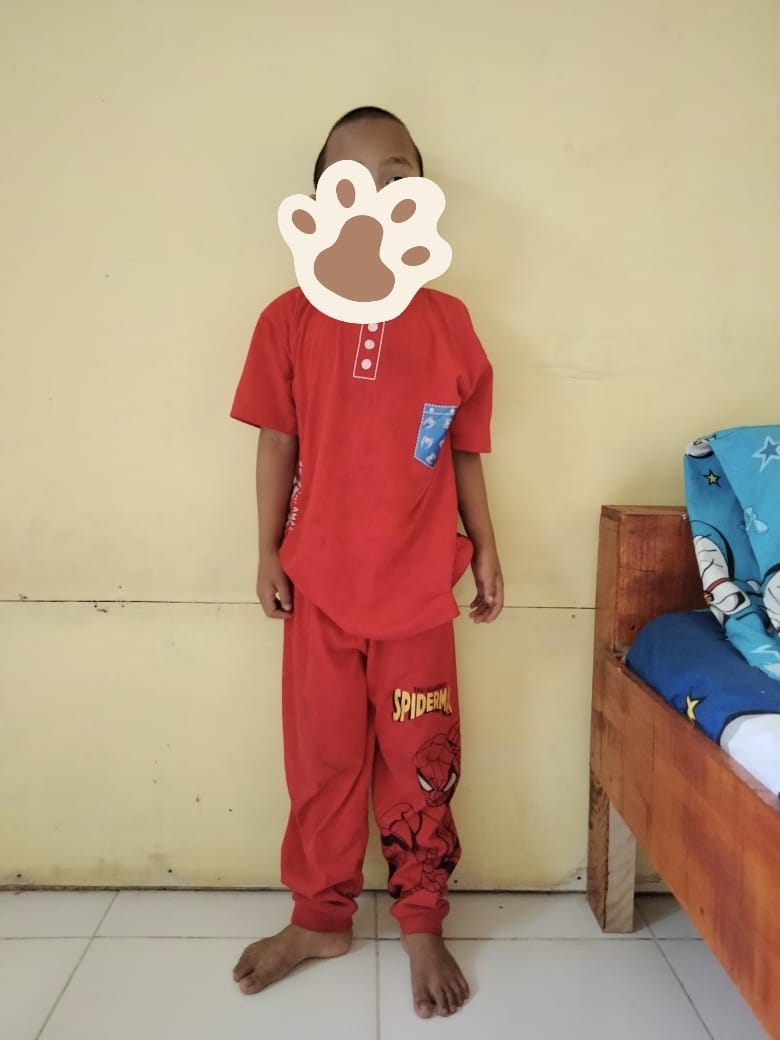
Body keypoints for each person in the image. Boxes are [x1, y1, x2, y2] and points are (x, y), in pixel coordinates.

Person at [230, 105, 503, 1019]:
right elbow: (276, 440)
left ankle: (421, 919)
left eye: (398, 179)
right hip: (318, 591)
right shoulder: (287, 321)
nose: (377, 198)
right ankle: (320, 916)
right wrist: (265, 552)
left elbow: (464, 448)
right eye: (354, 183)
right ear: (320, 207)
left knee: (422, 763)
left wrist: (488, 547)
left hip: (420, 594)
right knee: (322, 761)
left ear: (423, 201)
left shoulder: (450, 324)